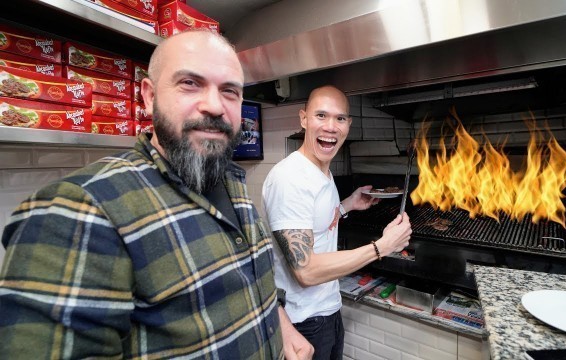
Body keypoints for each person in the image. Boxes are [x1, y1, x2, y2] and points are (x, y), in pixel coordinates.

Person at [0, 29, 312, 360]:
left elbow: (251, 275)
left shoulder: (232, 180)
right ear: (149, 97)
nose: (214, 105)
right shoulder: (77, 210)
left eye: (230, 91)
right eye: (190, 83)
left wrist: (283, 327)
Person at [262, 85, 413, 359]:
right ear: (303, 118)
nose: (331, 127)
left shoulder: (322, 171)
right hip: (303, 322)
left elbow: (317, 224)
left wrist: (347, 205)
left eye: (340, 118)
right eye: (321, 116)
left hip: (328, 310)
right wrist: (381, 247)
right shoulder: (290, 179)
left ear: (349, 124)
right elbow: (305, 271)